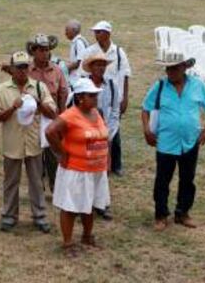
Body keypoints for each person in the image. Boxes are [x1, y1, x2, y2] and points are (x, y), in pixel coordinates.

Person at [141, 52, 205, 231]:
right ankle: (161, 215)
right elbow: (145, 108)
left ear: (184, 68)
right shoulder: (159, 86)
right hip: (166, 142)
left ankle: (182, 213)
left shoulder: (197, 86)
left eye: (174, 68)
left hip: (190, 142)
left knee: (187, 179)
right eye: (167, 68)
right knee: (162, 180)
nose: (170, 71)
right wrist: (147, 130)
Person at [0, 51, 56, 233]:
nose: (22, 71)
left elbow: (53, 113)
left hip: (33, 143)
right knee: (11, 182)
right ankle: (9, 216)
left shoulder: (39, 87)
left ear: (29, 68)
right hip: (12, 144)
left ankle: (40, 216)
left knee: (36, 182)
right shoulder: (1, 90)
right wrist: (13, 107)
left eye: (25, 67)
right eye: (18, 67)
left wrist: (38, 103)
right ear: (12, 69)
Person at [46, 78, 109, 258]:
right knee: (71, 206)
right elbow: (50, 131)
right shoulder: (70, 115)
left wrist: (107, 159)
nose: (96, 98)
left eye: (96, 95)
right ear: (80, 97)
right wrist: (62, 153)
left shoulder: (96, 113)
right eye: (92, 95)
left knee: (89, 204)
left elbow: (105, 137)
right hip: (76, 169)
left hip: (96, 169)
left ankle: (87, 236)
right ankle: (67, 243)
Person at [83, 21, 131, 176]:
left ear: (108, 34)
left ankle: (115, 164)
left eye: (99, 32)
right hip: (93, 93)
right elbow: (82, 73)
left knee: (114, 131)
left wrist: (124, 98)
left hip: (112, 94)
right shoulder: (90, 50)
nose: (96, 35)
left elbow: (125, 75)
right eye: (95, 32)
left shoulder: (118, 52)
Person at [26, 33, 68, 192]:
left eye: (47, 50)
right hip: (33, 117)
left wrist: (62, 116)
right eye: (41, 50)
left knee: (53, 153)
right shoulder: (28, 70)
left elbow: (63, 92)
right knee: (34, 153)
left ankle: (55, 187)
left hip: (52, 116)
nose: (45, 53)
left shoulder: (56, 70)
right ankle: (37, 187)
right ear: (34, 51)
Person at [82, 53, 120, 220]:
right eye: (97, 65)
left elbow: (115, 110)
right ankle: (84, 204)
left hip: (105, 135)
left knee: (103, 171)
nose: (101, 68)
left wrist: (108, 133)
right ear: (90, 67)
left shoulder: (111, 84)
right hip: (86, 135)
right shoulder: (82, 84)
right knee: (85, 171)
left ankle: (101, 204)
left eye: (103, 64)